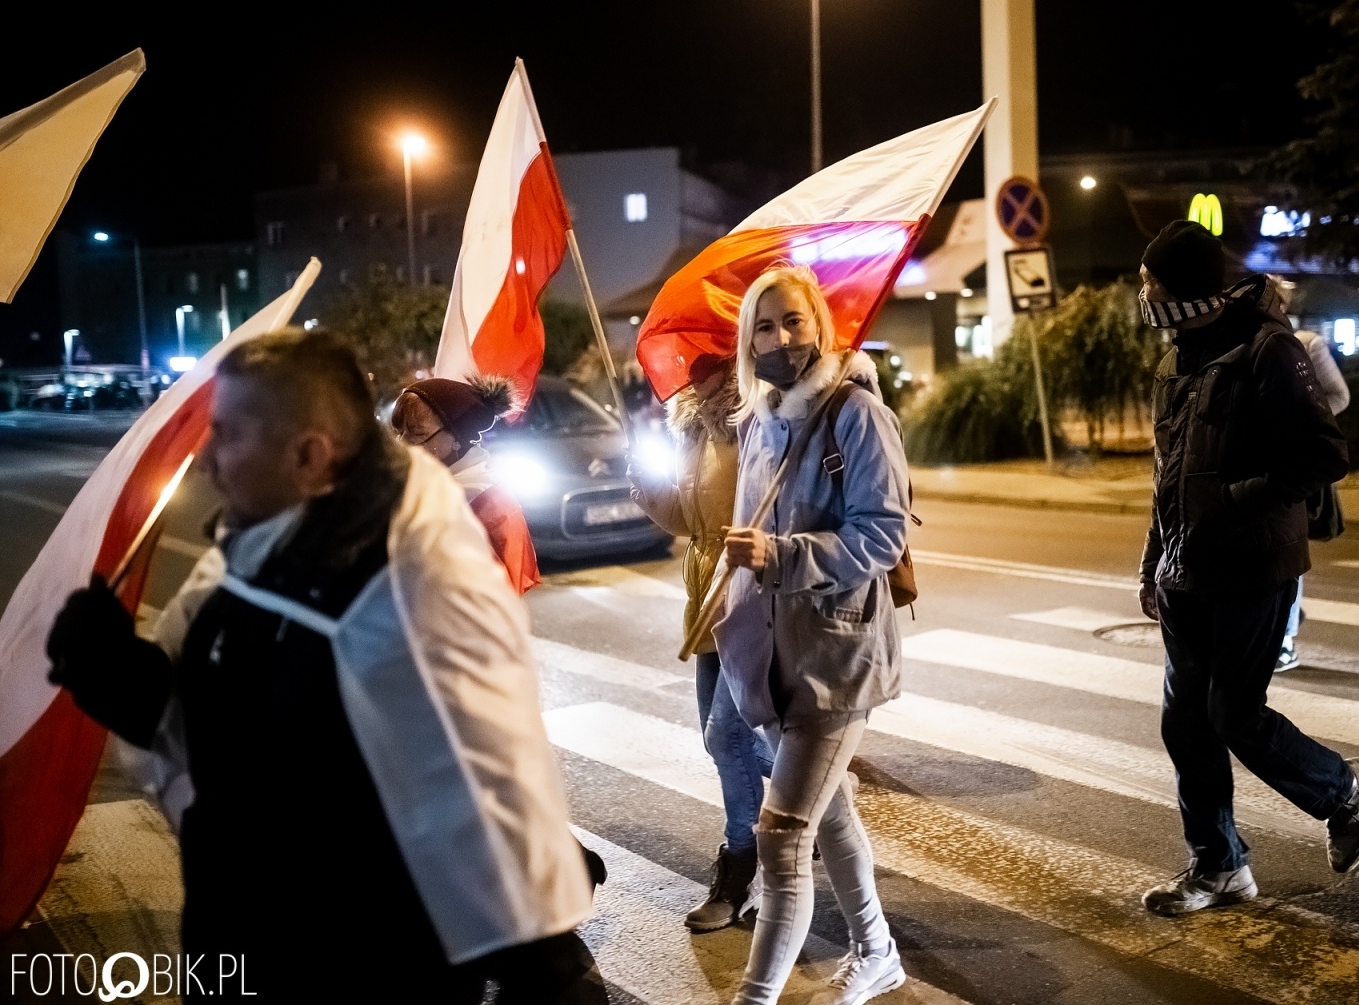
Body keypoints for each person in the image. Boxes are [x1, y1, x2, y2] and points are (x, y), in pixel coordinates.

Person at [45, 330, 601, 1002]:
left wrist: (546, 962)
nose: (209, 459)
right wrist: (110, 671)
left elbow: (470, 790)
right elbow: (213, 730)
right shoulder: (250, 559)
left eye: (231, 435)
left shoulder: (407, 593)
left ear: (309, 454)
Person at [1134, 220, 1359, 917]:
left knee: (1233, 714)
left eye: (1151, 284)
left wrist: (1233, 499)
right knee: (1186, 724)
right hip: (1187, 568)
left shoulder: (1270, 351)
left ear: (1186, 289)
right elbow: (1167, 474)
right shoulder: (1175, 358)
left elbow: (1324, 455)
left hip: (1252, 563)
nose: (1144, 296)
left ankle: (1341, 793)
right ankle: (1219, 866)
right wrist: (1153, 559)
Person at [715, 264, 911, 1005]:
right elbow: (746, 541)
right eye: (764, 326)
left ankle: (755, 998)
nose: (779, 337)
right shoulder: (760, 420)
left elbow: (882, 537)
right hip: (771, 660)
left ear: (820, 325)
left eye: (793, 321)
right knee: (829, 814)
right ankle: (879, 952)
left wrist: (785, 554)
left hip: (835, 659)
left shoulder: (856, 415)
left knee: (781, 835)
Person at [629, 352, 773, 932]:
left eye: (705, 359)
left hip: (748, 599)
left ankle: (739, 870)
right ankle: (817, 792)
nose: (689, 368)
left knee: (724, 737)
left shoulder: (757, 424)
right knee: (728, 741)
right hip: (704, 601)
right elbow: (692, 523)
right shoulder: (692, 427)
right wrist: (644, 488)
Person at [391, 373, 539, 594]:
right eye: (398, 432)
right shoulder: (418, 485)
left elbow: (491, 596)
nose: (402, 443)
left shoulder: (489, 503)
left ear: (456, 438)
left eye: (417, 434)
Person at [1272, 277, 1352, 672]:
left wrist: (1302, 426)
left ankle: (1285, 639)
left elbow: (1338, 396)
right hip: (1256, 466)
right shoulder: (1239, 348)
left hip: (1295, 465)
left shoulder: (1305, 344)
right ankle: (1283, 617)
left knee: (1288, 545)